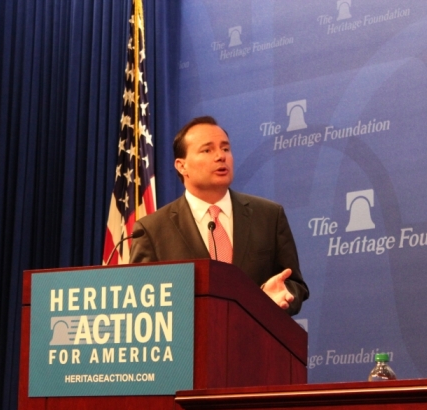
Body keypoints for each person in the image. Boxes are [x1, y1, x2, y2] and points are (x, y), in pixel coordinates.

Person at [129, 116, 308, 315]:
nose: (220, 156)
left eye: (225, 148)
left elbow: (294, 284)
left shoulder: (269, 216)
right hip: (188, 344)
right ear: (181, 166)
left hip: (255, 342)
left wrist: (277, 298)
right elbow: (141, 302)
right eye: (207, 150)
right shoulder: (152, 231)